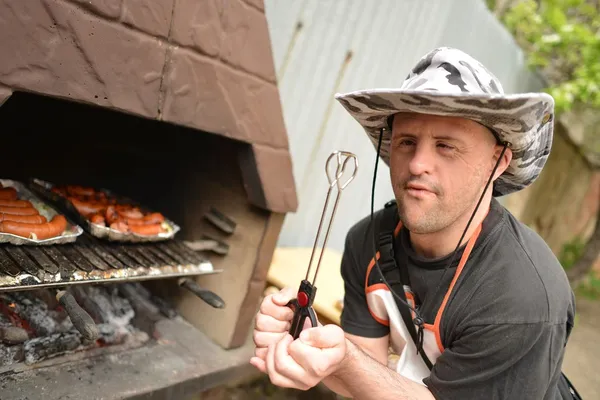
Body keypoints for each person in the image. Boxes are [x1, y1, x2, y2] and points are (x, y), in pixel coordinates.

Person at [250, 47, 579, 399]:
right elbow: (365, 383)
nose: (417, 163)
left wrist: (344, 360)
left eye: (446, 146)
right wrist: (314, 350)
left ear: (498, 161)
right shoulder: (368, 242)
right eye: (406, 141)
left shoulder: (522, 299)